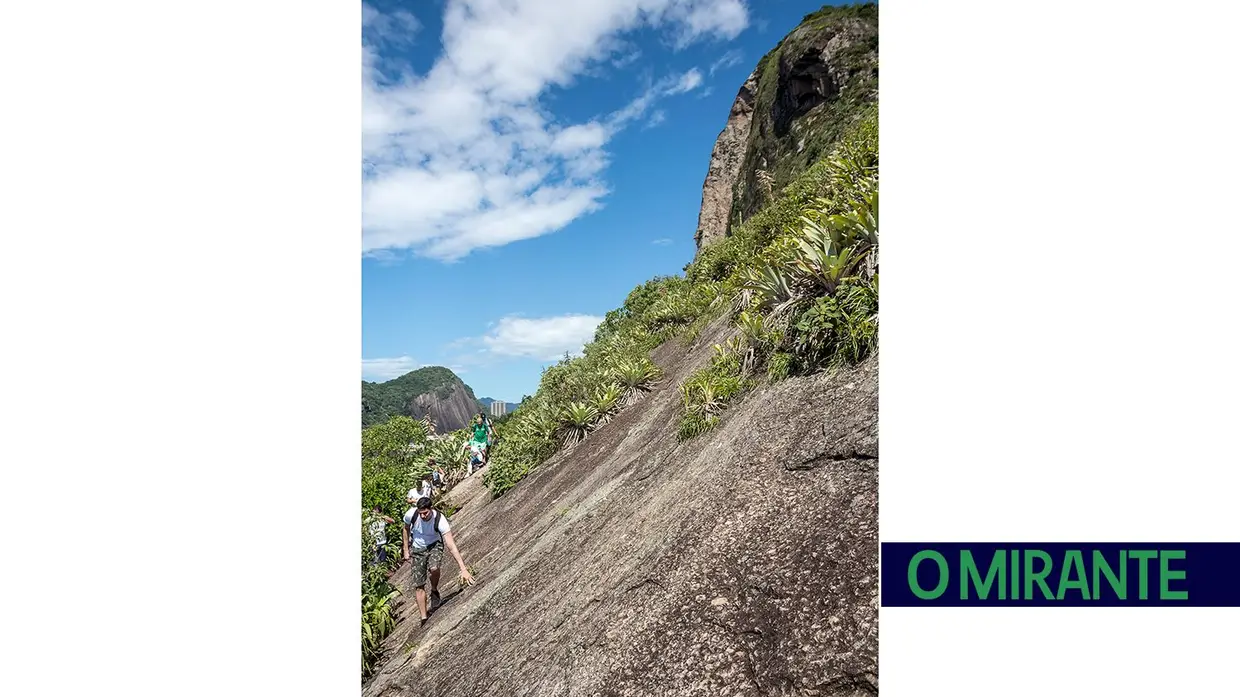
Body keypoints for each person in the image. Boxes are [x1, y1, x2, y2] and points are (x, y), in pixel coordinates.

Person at [402, 495, 475, 626]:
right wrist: (405, 549)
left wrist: (463, 569)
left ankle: (434, 590)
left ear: (431, 509)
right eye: (420, 514)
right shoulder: (411, 514)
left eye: (425, 513)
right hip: (418, 549)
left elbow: (451, 545)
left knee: (434, 568)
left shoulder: (440, 520)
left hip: (434, 545)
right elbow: (406, 529)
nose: (423, 516)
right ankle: (424, 617)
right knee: (419, 585)